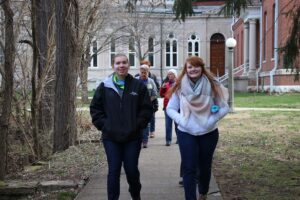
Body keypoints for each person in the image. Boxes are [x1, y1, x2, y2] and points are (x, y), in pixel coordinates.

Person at [90, 54, 153, 200]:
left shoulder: (138, 86)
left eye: (124, 62)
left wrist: (137, 125)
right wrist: (105, 126)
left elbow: (146, 109)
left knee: (131, 170)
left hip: (132, 137)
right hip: (111, 137)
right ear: (114, 66)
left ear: (128, 65)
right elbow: (95, 108)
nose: (121, 65)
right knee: (114, 170)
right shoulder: (104, 86)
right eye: (118, 63)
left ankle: (136, 196)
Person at [166, 56, 230, 200]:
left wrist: (210, 121)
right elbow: (170, 109)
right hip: (186, 132)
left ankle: (203, 191)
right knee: (189, 168)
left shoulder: (213, 85)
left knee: (204, 166)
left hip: (208, 132)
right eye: (189, 67)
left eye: (196, 66)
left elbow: (224, 108)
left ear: (201, 68)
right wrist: (182, 121)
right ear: (186, 69)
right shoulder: (180, 86)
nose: (193, 69)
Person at [135, 63, 158, 148]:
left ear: (148, 72)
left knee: (146, 124)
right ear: (139, 72)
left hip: (147, 106)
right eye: (142, 72)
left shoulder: (151, 81)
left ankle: (145, 141)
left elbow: (155, 94)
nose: (143, 74)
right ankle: (138, 140)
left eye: (145, 72)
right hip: (137, 106)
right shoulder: (135, 80)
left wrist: (147, 101)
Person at [159, 69, 178, 146]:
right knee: (168, 124)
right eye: (168, 74)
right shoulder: (166, 84)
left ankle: (179, 138)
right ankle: (168, 140)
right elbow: (161, 95)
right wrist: (162, 88)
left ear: (175, 75)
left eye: (171, 74)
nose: (169, 76)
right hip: (167, 106)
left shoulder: (178, 84)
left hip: (177, 107)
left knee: (178, 124)